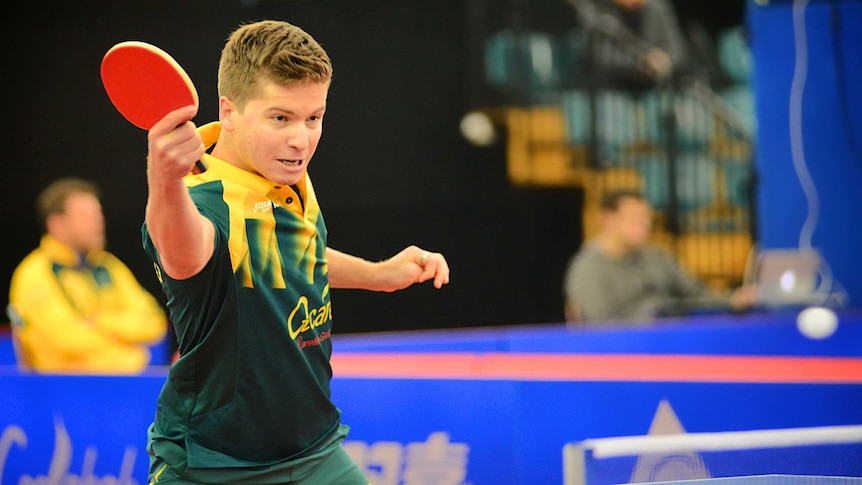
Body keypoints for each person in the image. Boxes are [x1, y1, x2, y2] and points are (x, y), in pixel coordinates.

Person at [141, 20, 450, 484]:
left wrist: (380, 274)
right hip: (213, 465)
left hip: (314, 450)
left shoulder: (285, 175)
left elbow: (293, 259)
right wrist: (165, 180)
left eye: (314, 118)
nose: (301, 139)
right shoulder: (202, 201)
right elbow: (184, 256)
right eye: (280, 118)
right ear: (229, 111)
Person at [7, 177, 168, 373]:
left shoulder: (109, 266)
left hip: (119, 386)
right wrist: (129, 355)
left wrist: (100, 321)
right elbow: (66, 339)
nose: (98, 222)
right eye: (85, 216)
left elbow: (154, 322)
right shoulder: (34, 273)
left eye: (98, 214)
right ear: (57, 224)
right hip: (58, 394)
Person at [563, 189, 755, 323]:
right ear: (608, 219)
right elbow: (601, 325)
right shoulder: (587, 269)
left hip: (677, 340)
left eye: (647, 219)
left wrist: (731, 300)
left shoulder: (657, 257)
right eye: (635, 218)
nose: (644, 225)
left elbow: (697, 294)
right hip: (628, 354)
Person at [568, 0, 690, 92]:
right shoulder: (600, 10)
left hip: (655, 93)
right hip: (612, 93)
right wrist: (641, 65)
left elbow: (678, 51)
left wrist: (664, 60)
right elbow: (601, 57)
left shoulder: (658, 8)